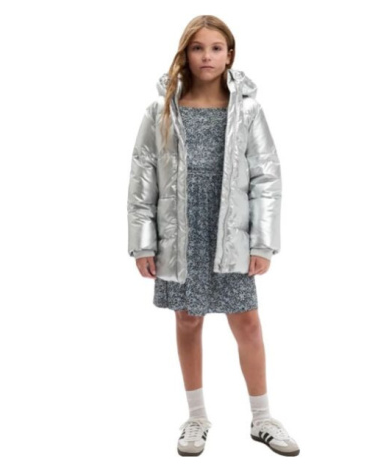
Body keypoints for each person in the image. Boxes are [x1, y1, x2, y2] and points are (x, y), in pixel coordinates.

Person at [127, 15, 300, 457]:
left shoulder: (248, 111)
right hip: (180, 232)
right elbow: (143, 177)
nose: (207, 56)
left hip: (230, 233)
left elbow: (266, 177)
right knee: (187, 319)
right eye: (198, 48)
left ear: (230, 55)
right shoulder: (161, 111)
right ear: (185, 54)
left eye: (216, 48)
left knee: (247, 322)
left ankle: (262, 417)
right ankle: (197, 416)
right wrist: (144, 242)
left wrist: (262, 242)